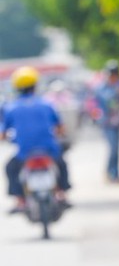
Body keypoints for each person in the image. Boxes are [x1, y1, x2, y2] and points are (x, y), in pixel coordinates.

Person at [1, 66, 71, 213]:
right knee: (62, 165)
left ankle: (20, 201)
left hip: (24, 153)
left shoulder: (11, 108)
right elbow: (60, 128)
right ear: (35, 85)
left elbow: (3, 133)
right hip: (49, 149)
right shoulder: (46, 104)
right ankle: (62, 195)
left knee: (10, 168)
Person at [95, 60, 119, 182]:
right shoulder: (102, 88)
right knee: (113, 148)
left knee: (117, 149)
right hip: (107, 123)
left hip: (118, 122)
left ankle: (116, 174)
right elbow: (106, 102)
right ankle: (111, 172)